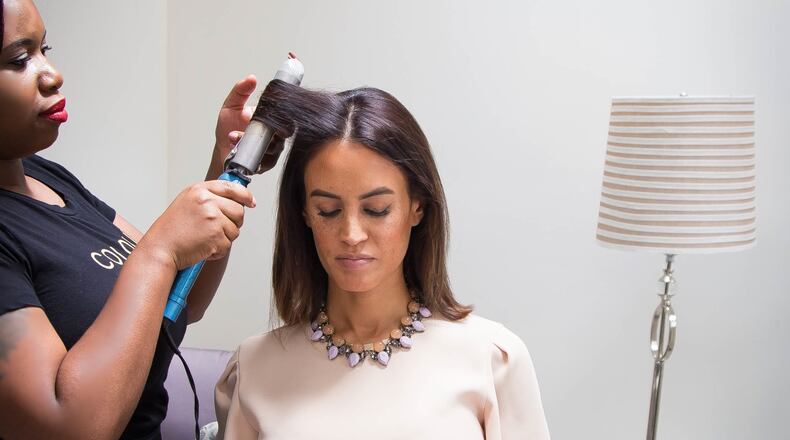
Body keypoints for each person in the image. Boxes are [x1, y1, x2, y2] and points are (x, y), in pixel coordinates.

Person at [0, 1, 281, 438]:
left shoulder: (45, 177)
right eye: (20, 59)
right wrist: (160, 249)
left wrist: (226, 170)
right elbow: (66, 428)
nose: (52, 74)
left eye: (44, 49)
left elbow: (181, 300)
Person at [214, 81, 550, 439]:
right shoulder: (253, 369)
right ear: (305, 213)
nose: (352, 234)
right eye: (328, 210)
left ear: (417, 206)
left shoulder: (493, 360)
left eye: (376, 209)